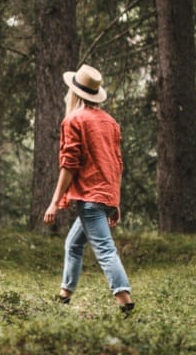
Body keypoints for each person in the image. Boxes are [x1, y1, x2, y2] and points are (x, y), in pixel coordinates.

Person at [42, 64, 134, 315]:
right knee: (73, 244)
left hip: (90, 199)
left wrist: (54, 202)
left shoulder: (73, 120)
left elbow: (69, 165)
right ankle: (64, 296)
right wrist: (115, 201)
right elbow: (117, 164)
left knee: (105, 249)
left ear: (74, 92)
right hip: (103, 196)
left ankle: (126, 302)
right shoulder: (110, 122)